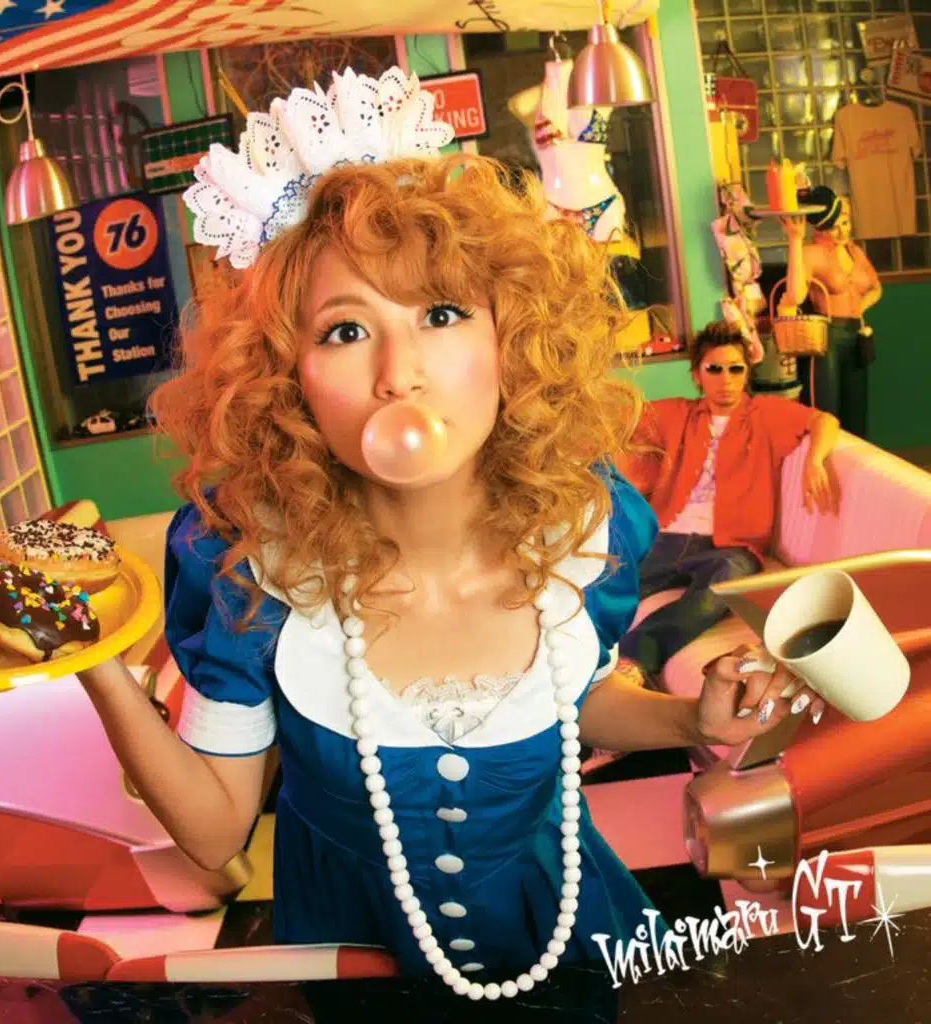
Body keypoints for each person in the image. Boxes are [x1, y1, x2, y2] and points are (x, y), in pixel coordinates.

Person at [75, 68, 824, 1022]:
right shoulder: (250, 572)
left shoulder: (583, 530)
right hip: (355, 971)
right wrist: (90, 658)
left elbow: (579, 701)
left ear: (511, 336)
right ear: (285, 377)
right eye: (346, 330)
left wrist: (692, 722)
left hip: (563, 944)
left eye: (440, 314)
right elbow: (216, 831)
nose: (401, 374)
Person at [617, 321, 840, 682]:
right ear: (697, 375)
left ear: (747, 372)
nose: (726, 380)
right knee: (611, 584)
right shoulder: (678, 413)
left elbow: (824, 421)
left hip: (730, 547)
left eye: (736, 369)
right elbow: (619, 415)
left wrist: (814, 459)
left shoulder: (765, 414)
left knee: (716, 594)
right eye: (714, 369)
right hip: (667, 536)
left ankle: (634, 659)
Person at [782, 186, 882, 438]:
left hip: (856, 333)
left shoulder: (854, 252)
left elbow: (876, 288)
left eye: (845, 223)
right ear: (820, 228)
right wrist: (795, 241)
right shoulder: (810, 253)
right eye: (835, 227)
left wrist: (861, 306)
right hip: (827, 336)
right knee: (827, 414)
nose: (843, 231)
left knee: (856, 413)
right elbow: (795, 296)